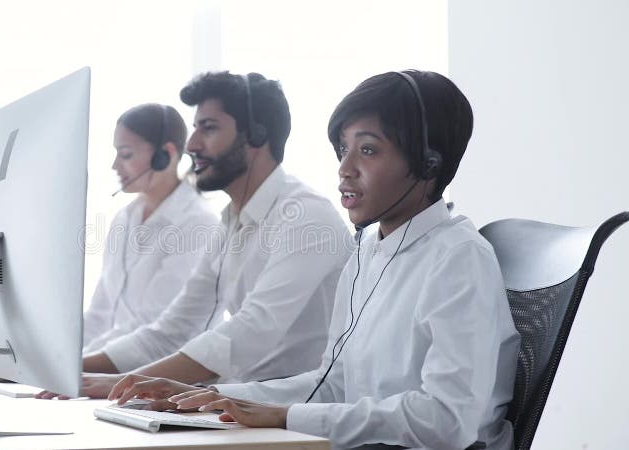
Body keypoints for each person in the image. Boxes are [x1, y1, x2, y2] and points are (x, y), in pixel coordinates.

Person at [106, 70, 520, 450]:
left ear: (429, 163)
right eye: (343, 150)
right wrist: (219, 398)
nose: (345, 169)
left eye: (368, 150)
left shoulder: (458, 259)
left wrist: (284, 415)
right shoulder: (368, 254)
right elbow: (334, 384)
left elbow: (448, 421)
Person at [37, 71, 352, 399]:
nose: (191, 145)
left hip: (295, 413)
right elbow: (172, 330)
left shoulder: (305, 216)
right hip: (237, 403)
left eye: (209, 128)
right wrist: (71, 370)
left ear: (257, 135)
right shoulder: (229, 223)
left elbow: (249, 332)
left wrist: (124, 382)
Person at [0, 103, 217, 373]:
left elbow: (152, 331)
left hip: (161, 384)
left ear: (166, 154)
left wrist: (62, 365)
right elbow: (100, 316)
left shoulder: (197, 226)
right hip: (111, 373)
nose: (115, 165)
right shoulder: (124, 219)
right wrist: (36, 354)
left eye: (125, 154)